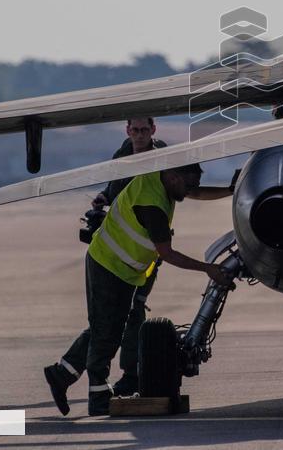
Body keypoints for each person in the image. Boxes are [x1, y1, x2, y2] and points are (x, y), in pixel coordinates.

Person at [44, 162, 234, 416]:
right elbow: (167, 253)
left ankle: (62, 374)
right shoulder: (151, 204)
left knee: (107, 325)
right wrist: (207, 268)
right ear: (174, 177)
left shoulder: (163, 178)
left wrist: (231, 190)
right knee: (107, 332)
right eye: (188, 184)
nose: (191, 190)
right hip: (108, 263)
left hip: (124, 269)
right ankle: (98, 396)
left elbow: (196, 192)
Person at [87, 117, 168, 397]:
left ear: (153, 130)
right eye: (135, 130)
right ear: (128, 131)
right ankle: (74, 370)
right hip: (119, 253)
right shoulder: (121, 156)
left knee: (134, 309)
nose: (140, 135)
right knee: (118, 315)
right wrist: (102, 198)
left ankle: (130, 373)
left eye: (145, 130)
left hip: (146, 253)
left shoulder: (162, 158)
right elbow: (113, 192)